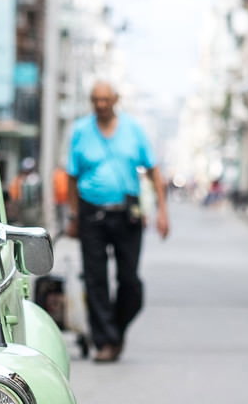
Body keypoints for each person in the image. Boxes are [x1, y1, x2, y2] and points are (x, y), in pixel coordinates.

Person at [64, 81, 170, 362]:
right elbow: (72, 177)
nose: (100, 105)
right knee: (95, 279)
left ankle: (116, 330)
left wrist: (162, 211)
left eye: (105, 100)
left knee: (130, 281)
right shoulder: (80, 131)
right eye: (95, 100)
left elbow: (153, 171)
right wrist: (73, 215)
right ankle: (105, 342)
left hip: (127, 212)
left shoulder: (133, 129)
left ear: (115, 100)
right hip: (90, 213)